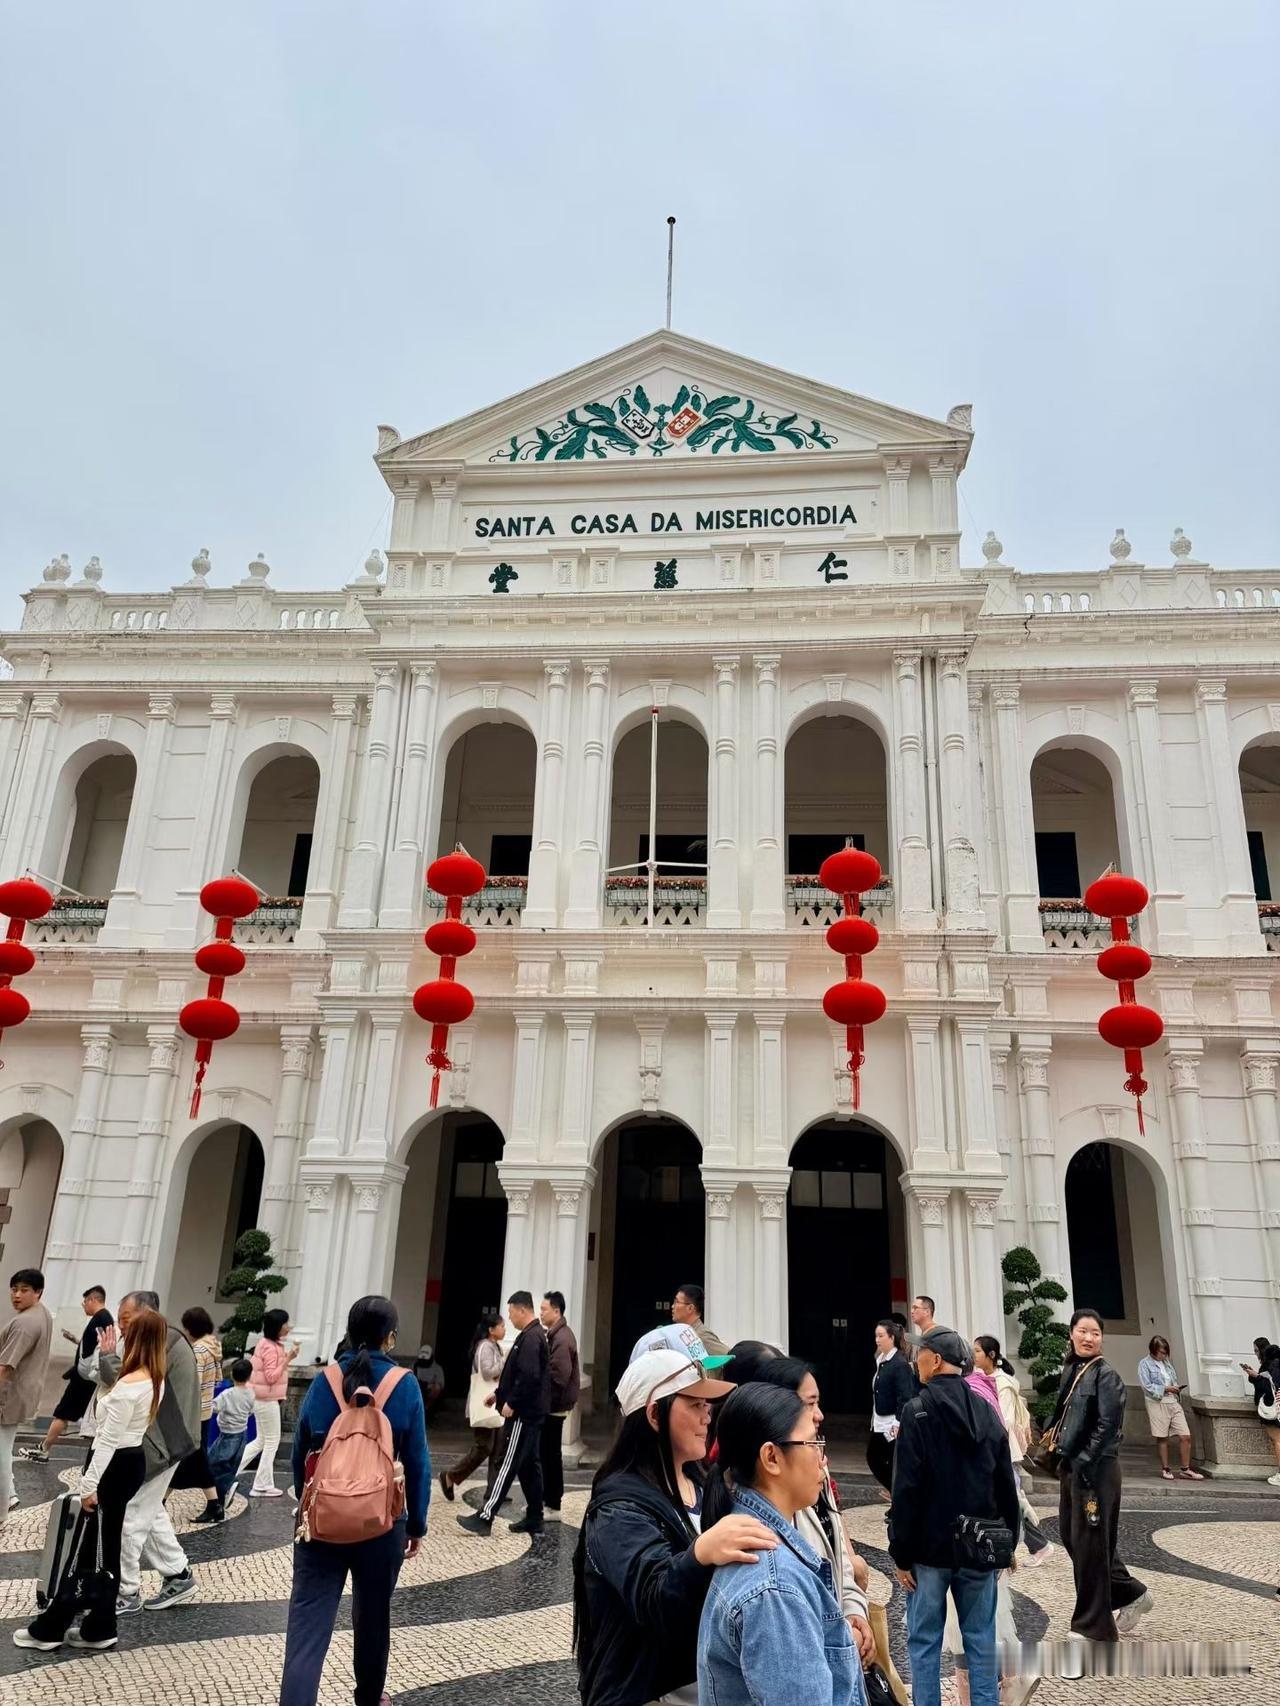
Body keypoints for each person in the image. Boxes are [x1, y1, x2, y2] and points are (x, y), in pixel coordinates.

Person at [573, 1346, 770, 1706]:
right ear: (654, 1415)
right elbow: (654, 1596)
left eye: (707, 1406)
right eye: (694, 1405)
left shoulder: (702, 1481)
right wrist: (700, 1552)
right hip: (648, 1691)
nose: (706, 1417)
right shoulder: (618, 1509)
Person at [282, 1294, 429, 1706]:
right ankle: (368, 1697)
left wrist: (308, 1505)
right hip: (381, 1522)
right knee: (373, 1616)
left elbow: (299, 1455)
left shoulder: (324, 1381)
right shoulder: (404, 1385)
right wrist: (416, 1523)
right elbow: (417, 1462)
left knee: (308, 1624)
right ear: (391, 1338)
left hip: (321, 1522)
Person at [699, 1380, 866, 1705]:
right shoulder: (774, 1589)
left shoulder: (765, 1554)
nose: (823, 1459)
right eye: (812, 1443)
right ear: (772, 1457)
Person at [15, 1307, 167, 1654]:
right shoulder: (154, 1378)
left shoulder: (131, 1387)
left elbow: (106, 1441)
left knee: (87, 1548)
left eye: (128, 1330)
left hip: (112, 1465)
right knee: (105, 1547)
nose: (121, 1332)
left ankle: (52, 1627)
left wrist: (88, 1486)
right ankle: (99, 1626)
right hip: (130, 1463)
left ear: (136, 1339)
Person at [887, 1325, 1020, 1706]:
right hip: (979, 1546)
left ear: (936, 1360)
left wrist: (900, 1553)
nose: (916, 1360)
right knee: (980, 1639)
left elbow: (906, 1489)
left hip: (929, 1550)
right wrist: (1007, 1542)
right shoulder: (985, 1410)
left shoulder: (917, 1413)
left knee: (924, 1641)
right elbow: (1004, 1483)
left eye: (920, 1354)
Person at [724, 1352, 874, 1665]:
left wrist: (855, 1614)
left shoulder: (812, 1474)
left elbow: (840, 1560)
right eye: (808, 1404)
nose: (818, 1415)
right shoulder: (767, 1572)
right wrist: (843, 1644)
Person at [1050, 1307, 1151, 1640]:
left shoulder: (1106, 1375)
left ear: (1102, 1339)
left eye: (1094, 1333)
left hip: (1097, 1470)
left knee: (1090, 1544)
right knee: (1074, 1537)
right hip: (1074, 1467)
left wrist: (1083, 1460)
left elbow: (1108, 1426)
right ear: (1071, 1333)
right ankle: (1129, 1592)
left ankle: (1093, 1627)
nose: (1088, 1337)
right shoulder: (1073, 1370)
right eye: (1082, 1331)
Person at [99, 1288, 201, 1614]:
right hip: (164, 1439)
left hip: (163, 1442)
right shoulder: (165, 1338)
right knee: (150, 1510)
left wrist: (107, 1358)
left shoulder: (163, 1341)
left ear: (147, 1313)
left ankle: (126, 1592)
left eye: (126, 1320)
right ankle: (178, 1574)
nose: (122, 1328)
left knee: (131, 1515)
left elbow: (128, 1382)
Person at [459, 1290, 550, 1536]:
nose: (509, 1318)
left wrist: (512, 1402)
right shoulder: (529, 1335)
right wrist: (499, 1395)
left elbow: (528, 1376)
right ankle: (535, 1517)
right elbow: (517, 1374)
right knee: (528, 1465)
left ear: (522, 1310)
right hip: (528, 1411)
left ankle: (485, 1516)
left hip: (523, 1414)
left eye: (510, 1312)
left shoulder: (531, 1338)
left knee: (508, 1462)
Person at [971, 1335, 1051, 1563]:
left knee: (1013, 1498)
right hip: (993, 1448)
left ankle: (1032, 1544)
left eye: (977, 1351)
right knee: (1010, 1498)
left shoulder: (1003, 1384)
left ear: (991, 1355)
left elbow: (1003, 1420)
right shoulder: (979, 1379)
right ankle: (1036, 1545)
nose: (974, 1355)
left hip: (1002, 1450)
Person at [19, 1284, 112, 1464]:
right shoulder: (102, 1318)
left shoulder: (102, 1319)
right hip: (86, 1377)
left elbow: (103, 1348)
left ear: (93, 1300)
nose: (83, 1305)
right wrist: (77, 1341)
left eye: (85, 1301)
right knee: (79, 1417)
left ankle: (44, 1449)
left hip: (84, 1380)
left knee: (63, 1413)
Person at [0, 1268, 53, 1526]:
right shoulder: (41, 1312)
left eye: (24, 1290)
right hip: (22, 1395)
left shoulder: (24, 1324)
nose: (17, 1295)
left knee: (0, 1452)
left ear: (38, 1292)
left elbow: (5, 1367)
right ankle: (8, 1495)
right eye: (14, 1289)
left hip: (7, 1397)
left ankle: (2, 1509)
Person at [438, 1311, 505, 1503]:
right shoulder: (485, 1347)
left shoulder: (494, 1346)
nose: (504, 1329)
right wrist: (504, 1362)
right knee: (483, 1447)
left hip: (492, 1404)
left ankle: (494, 1489)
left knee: (497, 1447)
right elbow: (487, 1373)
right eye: (501, 1326)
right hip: (484, 1403)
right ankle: (450, 1476)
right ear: (492, 1330)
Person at [239, 1307, 297, 1497]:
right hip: (266, 1399)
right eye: (285, 1324)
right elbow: (271, 1376)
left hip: (261, 1397)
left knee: (261, 1440)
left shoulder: (264, 1343)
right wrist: (288, 1358)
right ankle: (261, 1485)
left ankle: (233, 1471)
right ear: (278, 1327)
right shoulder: (271, 1348)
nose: (288, 1328)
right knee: (271, 1440)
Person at [174, 1306, 225, 1521]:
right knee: (188, 1456)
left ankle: (214, 1505)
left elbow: (192, 1382)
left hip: (193, 1411)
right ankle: (162, 1501)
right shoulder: (213, 1347)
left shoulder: (198, 1351)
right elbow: (217, 1379)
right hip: (204, 1410)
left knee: (193, 1456)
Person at [1137, 1335, 1203, 1482]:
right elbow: (1146, 1386)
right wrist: (1166, 1388)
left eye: (1165, 1352)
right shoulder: (1144, 1364)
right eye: (1161, 1352)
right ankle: (1166, 1468)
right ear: (1154, 1351)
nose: (1164, 1355)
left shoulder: (1167, 1363)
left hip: (1172, 1400)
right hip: (1157, 1402)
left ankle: (1185, 1469)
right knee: (1162, 1436)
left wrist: (1175, 1389)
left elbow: (1172, 1379)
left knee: (1185, 1435)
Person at [540, 1290, 580, 1518]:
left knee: (550, 1454)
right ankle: (547, 1500)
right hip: (552, 1405)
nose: (541, 1313)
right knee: (547, 1453)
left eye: (544, 1309)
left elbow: (558, 1376)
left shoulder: (562, 1338)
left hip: (553, 1407)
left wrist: (545, 1401)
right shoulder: (556, 1335)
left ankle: (553, 1504)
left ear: (556, 1311)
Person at [868, 1318, 914, 1497]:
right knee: (877, 1459)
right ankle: (897, 1496)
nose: (877, 1340)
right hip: (879, 1419)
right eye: (876, 1336)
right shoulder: (881, 1360)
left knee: (882, 1460)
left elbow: (905, 1395)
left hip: (891, 1423)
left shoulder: (899, 1363)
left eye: (881, 1336)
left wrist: (898, 1421)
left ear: (891, 1337)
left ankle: (899, 1498)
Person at [206, 1357, 255, 1514]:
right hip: (242, 1435)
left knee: (212, 1463)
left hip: (227, 1436)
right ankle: (220, 1501)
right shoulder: (251, 1394)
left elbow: (214, 1407)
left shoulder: (227, 1394)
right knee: (229, 1466)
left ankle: (230, 1483)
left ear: (232, 1375)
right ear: (249, 1376)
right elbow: (251, 1412)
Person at [1241, 1336, 1280, 1486]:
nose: (1256, 1354)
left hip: (1273, 1407)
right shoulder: (1275, 1363)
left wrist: (1255, 1377)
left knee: (1277, 1440)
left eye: (1257, 1351)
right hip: (1276, 1406)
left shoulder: (1271, 1365)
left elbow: (1269, 1386)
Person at [671, 1283, 728, 1357]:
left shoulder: (702, 1336)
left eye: (677, 1302)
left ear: (690, 1308)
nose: (672, 1306)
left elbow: (729, 1357)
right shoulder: (681, 1333)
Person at [411, 1343, 446, 1421]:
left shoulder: (437, 1368)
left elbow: (440, 1384)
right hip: (417, 1388)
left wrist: (430, 1386)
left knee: (436, 1388)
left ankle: (427, 1408)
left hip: (429, 1391)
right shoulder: (414, 1366)